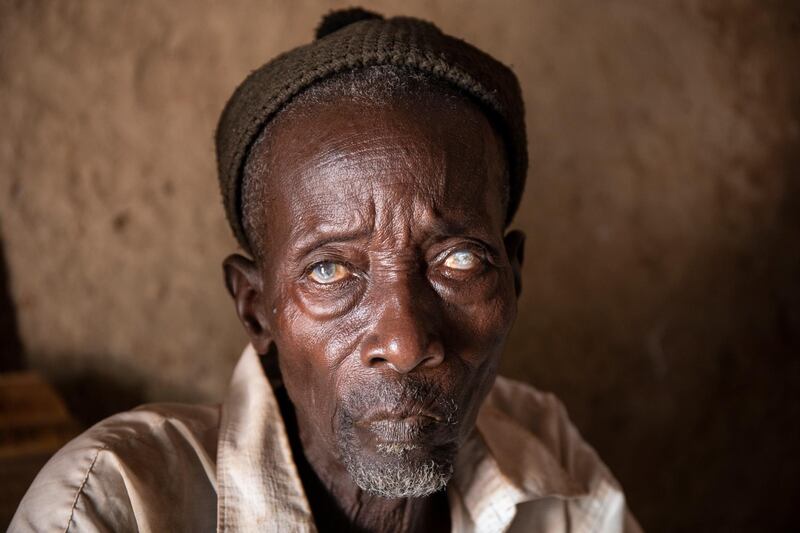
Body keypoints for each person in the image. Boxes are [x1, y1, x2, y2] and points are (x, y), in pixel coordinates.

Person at [11, 9, 641, 533]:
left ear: (513, 278)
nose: (405, 341)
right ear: (257, 309)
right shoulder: (116, 504)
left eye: (460, 259)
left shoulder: (546, 458)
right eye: (331, 270)